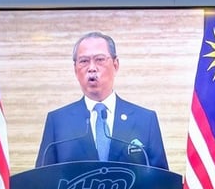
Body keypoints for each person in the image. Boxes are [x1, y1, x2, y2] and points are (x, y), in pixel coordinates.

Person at [35, 31, 169, 170]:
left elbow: (162, 184)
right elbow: (41, 183)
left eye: (99, 59)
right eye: (84, 61)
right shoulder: (58, 121)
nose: (92, 68)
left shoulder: (145, 120)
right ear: (75, 69)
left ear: (116, 65)